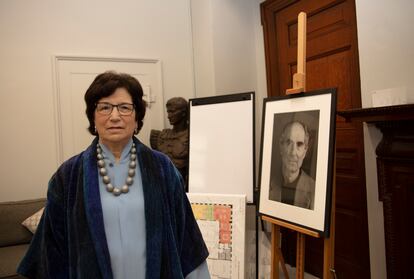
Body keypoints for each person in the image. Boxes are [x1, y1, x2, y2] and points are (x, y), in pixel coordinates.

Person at [17, 71, 210, 278]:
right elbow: (51, 248)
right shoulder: (69, 175)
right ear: (93, 116)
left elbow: (187, 239)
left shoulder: (163, 168)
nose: (115, 116)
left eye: (125, 108)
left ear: (137, 118)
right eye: (105, 107)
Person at [269, 121, 315, 209]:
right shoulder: (267, 182)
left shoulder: (314, 190)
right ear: (281, 146)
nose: (293, 152)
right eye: (289, 142)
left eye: (299, 144)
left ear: (305, 151)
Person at [150, 97, 189, 189]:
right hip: (161, 185)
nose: (168, 116)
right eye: (168, 112)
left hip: (183, 187)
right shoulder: (160, 136)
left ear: (183, 113)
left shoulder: (191, 135)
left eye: (172, 112)